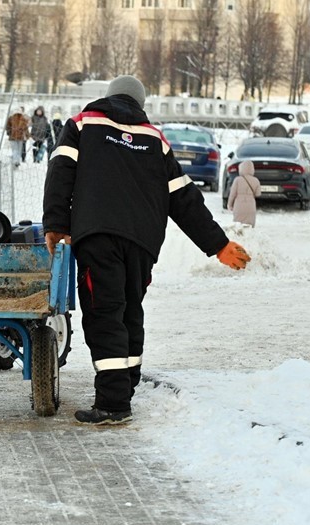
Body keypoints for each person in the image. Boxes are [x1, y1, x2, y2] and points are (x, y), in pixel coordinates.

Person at [43, 75, 251, 425]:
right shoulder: (155, 139)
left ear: (109, 97)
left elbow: (60, 173)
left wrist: (56, 226)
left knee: (105, 313)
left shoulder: (83, 124)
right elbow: (184, 198)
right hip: (142, 243)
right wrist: (217, 244)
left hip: (98, 234)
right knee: (129, 311)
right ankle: (127, 383)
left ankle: (112, 402)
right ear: (140, 105)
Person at [227, 160, 261, 226]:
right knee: (249, 226)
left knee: (238, 224)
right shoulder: (256, 180)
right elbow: (258, 194)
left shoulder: (237, 179)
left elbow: (232, 194)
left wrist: (230, 204)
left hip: (239, 205)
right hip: (251, 205)